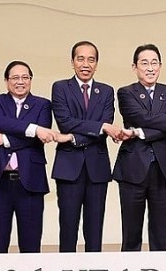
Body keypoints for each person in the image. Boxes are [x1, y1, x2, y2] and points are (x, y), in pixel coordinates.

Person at [0, 61, 67, 253]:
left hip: (30, 182)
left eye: (25, 77)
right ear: (6, 81)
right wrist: (33, 129)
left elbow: (37, 140)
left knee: (31, 244)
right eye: (15, 78)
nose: (20, 82)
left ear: (30, 80)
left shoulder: (43, 105)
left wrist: (4, 139)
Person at [113, 44, 166, 251]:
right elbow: (138, 117)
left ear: (160, 66)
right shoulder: (126, 93)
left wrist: (139, 132)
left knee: (159, 230)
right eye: (144, 63)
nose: (150, 67)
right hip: (132, 167)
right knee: (131, 231)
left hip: (164, 167)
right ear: (135, 67)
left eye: (154, 63)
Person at [51, 41, 124, 252]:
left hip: (97, 167)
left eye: (91, 59)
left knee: (94, 229)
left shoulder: (107, 91)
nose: (86, 64)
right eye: (80, 59)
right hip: (68, 167)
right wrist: (101, 127)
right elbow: (65, 122)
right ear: (72, 62)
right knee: (68, 227)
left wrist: (74, 137)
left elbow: (106, 124)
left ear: (97, 64)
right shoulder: (61, 87)